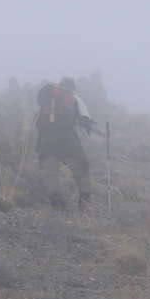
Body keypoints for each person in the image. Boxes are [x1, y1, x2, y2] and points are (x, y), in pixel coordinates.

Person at [35, 76, 96, 208]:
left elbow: (38, 118)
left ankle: (56, 201)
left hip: (46, 139)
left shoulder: (48, 96)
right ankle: (85, 200)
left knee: (50, 171)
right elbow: (84, 120)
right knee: (81, 165)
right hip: (67, 138)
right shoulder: (74, 100)